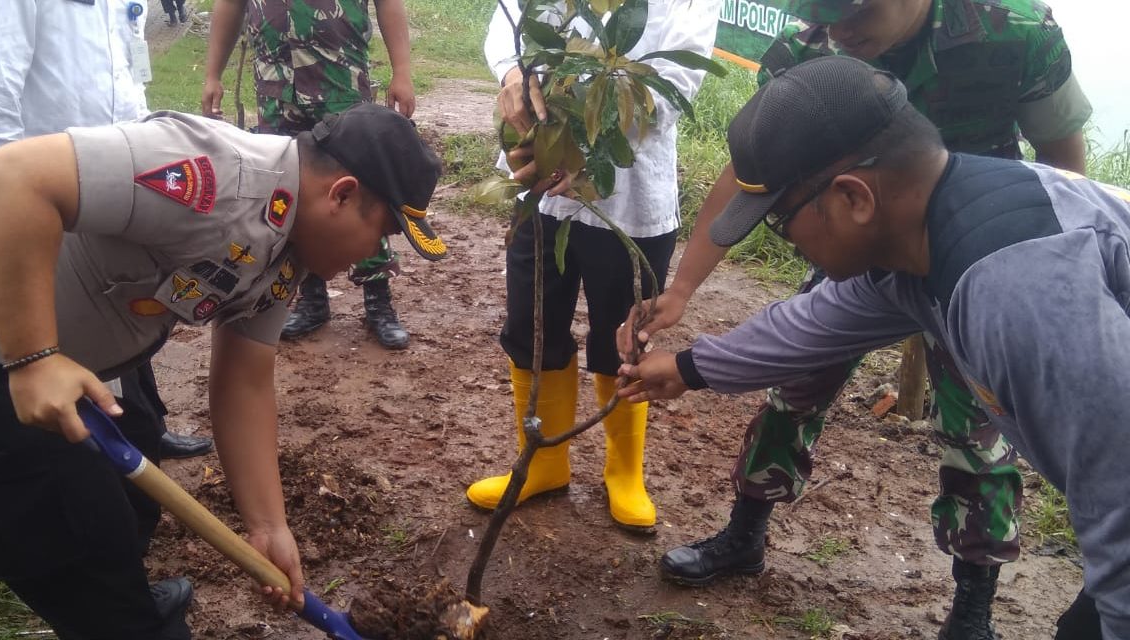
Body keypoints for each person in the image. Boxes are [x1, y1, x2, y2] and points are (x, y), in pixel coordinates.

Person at [0, 103, 445, 638]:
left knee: (133, 481)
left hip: (57, 349)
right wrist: (32, 359)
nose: (374, 256)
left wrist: (268, 525)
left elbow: (245, 377)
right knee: (74, 534)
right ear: (340, 194)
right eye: (383, 233)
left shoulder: (291, 246)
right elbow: (16, 176)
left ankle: (123, 590)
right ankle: (121, 615)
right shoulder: (216, 176)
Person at [618, 54, 1129, 640]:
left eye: (782, 223)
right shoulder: (929, 233)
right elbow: (813, 323)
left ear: (854, 198)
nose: (789, 246)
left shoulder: (1019, 292)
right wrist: (688, 367)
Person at [464, 0, 722, 533]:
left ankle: (624, 472)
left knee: (622, 337)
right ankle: (543, 463)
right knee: (533, 327)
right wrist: (514, 73)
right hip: (539, 190)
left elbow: (672, 86)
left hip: (628, 199)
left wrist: (575, 140)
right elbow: (509, 21)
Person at [0, 0, 214, 460]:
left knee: (121, 306)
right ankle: (100, 444)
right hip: (47, 189)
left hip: (117, 179)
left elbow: (127, 70)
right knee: (70, 320)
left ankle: (142, 423)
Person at [202, 0, 418, 350]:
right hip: (275, 89)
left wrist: (402, 71)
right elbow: (229, 6)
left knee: (362, 188)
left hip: (339, 82)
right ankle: (310, 298)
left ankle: (379, 300)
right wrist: (213, 74)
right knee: (289, 193)